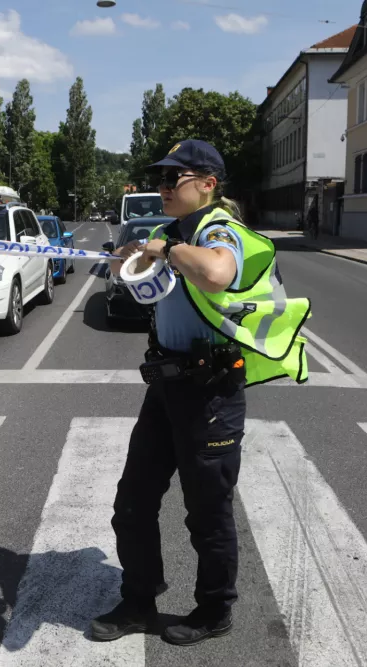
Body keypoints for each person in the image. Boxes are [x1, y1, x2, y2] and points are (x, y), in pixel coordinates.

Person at [90, 139, 311, 647]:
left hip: (210, 392)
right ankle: (139, 600)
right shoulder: (173, 231)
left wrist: (165, 249)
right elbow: (151, 281)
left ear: (208, 185)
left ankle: (214, 609)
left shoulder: (220, 231)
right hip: (166, 389)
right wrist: (128, 258)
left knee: (207, 512)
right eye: (160, 180)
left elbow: (215, 274)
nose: (162, 187)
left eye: (174, 179)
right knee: (133, 502)